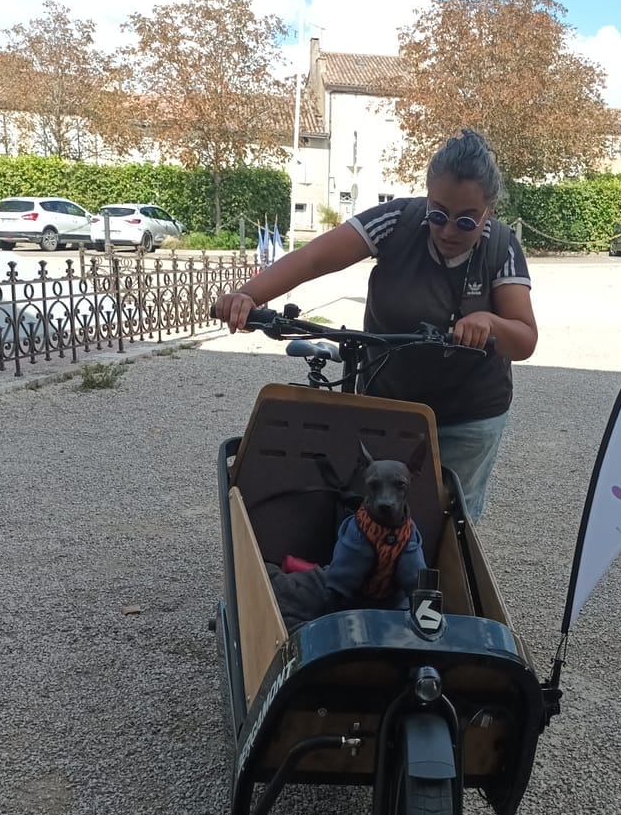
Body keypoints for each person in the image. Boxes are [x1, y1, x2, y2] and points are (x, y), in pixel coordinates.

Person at [215, 129, 538, 522]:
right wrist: (247, 297)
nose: (449, 230)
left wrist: (489, 322)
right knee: (369, 506)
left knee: (447, 524)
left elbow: (524, 339)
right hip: (389, 402)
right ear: (426, 196)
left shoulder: (500, 246)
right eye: (438, 213)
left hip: (468, 413)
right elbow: (315, 259)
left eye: (466, 221)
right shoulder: (399, 220)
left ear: (489, 210)